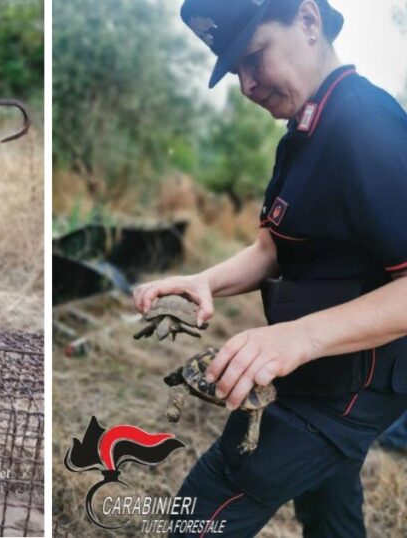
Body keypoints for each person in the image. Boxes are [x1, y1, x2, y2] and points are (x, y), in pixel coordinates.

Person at [134, 0, 407, 535]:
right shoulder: (305, 131)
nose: (247, 86)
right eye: (236, 70)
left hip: (346, 387)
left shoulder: (365, 126)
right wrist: (204, 281)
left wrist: (296, 339)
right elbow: (270, 249)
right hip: (317, 369)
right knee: (329, 507)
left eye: (255, 57)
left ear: (308, 21)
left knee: (208, 502)